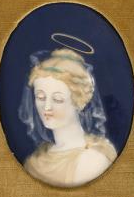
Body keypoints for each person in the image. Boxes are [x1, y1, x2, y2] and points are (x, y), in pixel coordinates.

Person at [18, 48, 117, 188]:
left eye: (57, 99)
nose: (46, 107)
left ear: (79, 102)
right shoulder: (36, 159)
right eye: (40, 97)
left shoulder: (91, 160)